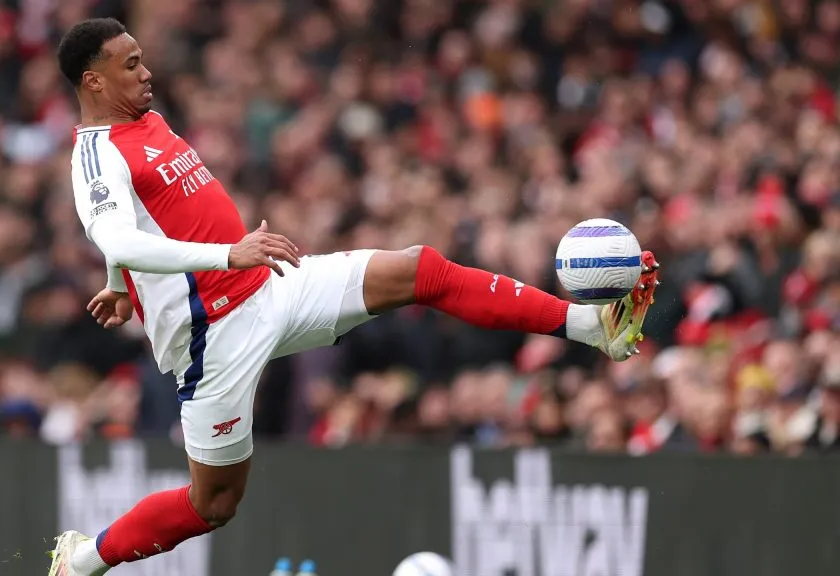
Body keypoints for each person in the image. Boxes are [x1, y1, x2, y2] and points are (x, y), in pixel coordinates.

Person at [47, 18, 660, 576]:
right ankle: (83, 561)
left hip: (268, 285)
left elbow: (135, 226)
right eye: (131, 65)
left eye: (142, 59)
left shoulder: (145, 119)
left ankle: (590, 326)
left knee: (420, 270)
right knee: (214, 504)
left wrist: (119, 283)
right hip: (213, 338)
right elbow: (115, 234)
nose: (147, 72)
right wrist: (221, 255)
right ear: (94, 81)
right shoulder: (94, 154)